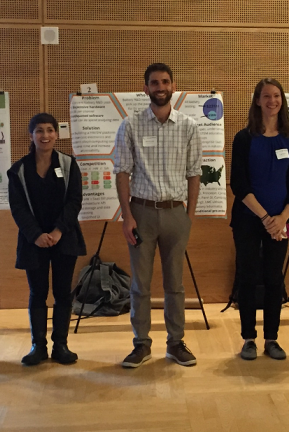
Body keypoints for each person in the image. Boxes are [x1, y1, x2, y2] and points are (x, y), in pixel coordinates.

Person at [114, 63, 201, 368]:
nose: (160, 87)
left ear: (173, 86)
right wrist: (126, 216)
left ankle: (175, 343)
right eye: (154, 82)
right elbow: (122, 173)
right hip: (141, 214)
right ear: (145, 88)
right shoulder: (130, 126)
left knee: (175, 284)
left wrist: (188, 216)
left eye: (165, 81)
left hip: (176, 214)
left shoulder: (189, 126)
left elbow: (194, 175)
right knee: (140, 284)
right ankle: (141, 344)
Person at [229, 78, 289, 361]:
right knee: (247, 277)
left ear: (281, 101)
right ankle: (249, 338)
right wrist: (265, 218)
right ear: (257, 101)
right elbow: (239, 184)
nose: (272, 101)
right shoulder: (244, 138)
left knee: (274, 279)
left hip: (280, 220)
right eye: (266, 96)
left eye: (277, 96)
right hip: (249, 219)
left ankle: (272, 339)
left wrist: (281, 218)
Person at [8, 113, 87, 366]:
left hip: (64, 238)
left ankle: (61, 345)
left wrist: (57, 232)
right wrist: (36, 235)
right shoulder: (18, 170)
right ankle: (38, 346)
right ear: (31, 135)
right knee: (37, 293)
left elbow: (75, 201)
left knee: (63, 293)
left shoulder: (68, 164)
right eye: (39, 130)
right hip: (34, 241)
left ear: (56, 134)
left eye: (50, 130)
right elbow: (17, 208)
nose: (45, 135)